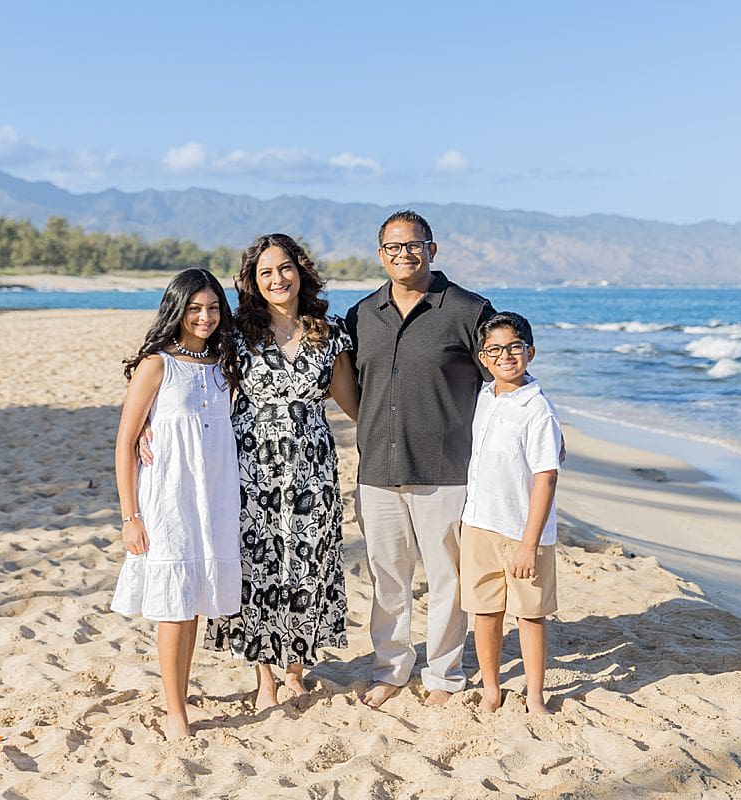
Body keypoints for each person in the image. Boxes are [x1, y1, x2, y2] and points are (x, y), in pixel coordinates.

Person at [345, 209, 494, 708]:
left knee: (447, 579)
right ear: (380, 254)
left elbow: (502, 381)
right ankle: (390, 669)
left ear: (432, 249)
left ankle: (446, 674)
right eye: (393, 247)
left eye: (414, 245)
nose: (403, 254)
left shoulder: (468, 310)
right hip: (378, 472)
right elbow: (355, 388)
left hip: (446, 469)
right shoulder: (363, 314)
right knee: (387, 578)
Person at [205, 233, 359, 710]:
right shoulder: (233, 334)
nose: (277, 278)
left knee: (307, 566)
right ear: (253, 281)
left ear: (300, 270)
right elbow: (191, 383)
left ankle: (295, 668)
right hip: (250, 470)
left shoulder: (330, 333)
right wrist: (149, 429)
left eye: (285, 268)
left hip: (313, 471)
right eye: (265, 271)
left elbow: (356, 405)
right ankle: (265, 679)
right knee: (258, 569)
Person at [109, 268, 242, 740]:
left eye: (212, 308)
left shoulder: (225, 362)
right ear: (177, 309)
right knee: (174, 605)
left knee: (194, 603)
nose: (204, 317)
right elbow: (125, 441)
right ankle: (174, 712)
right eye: (194, 308)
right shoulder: (157, 364)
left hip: (215, 497)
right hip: (167, 497)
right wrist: (131, 517)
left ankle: (180, 697)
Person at [459, 312, 562, 716]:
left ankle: (534, 695)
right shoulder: (486, 397)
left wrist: (528, 544)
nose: (506, 356)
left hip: (523, 533)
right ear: (484, 357)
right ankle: (491, 688)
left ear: (530, 352)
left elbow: (546, 478)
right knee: (485, 611)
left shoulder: (538, 411)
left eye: (515, 347)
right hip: (479, 523)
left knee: (530, 615)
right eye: (495, 349)